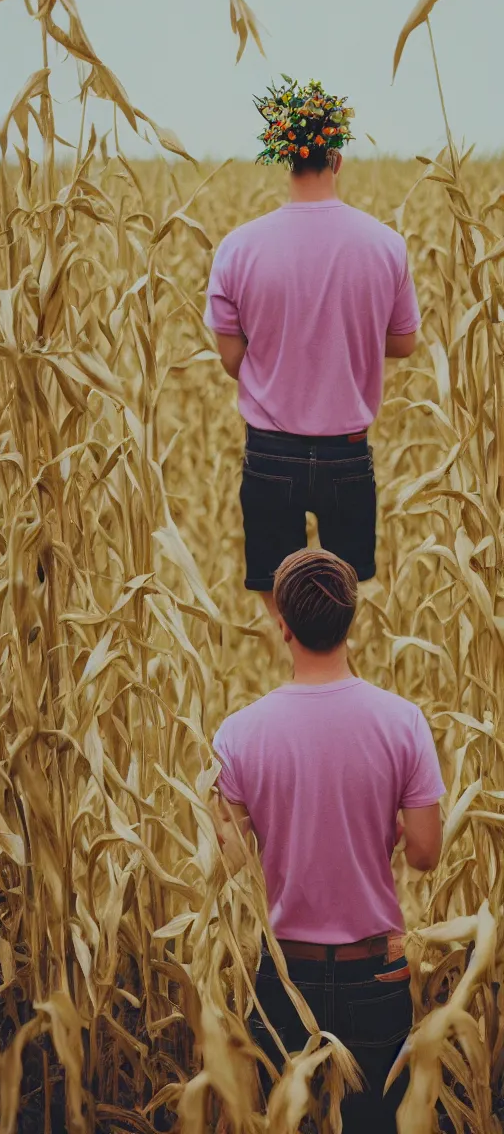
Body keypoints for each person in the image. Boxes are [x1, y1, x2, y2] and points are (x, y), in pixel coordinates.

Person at [213, 548, 445, 1133]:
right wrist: (382, 829)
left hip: (284, 978)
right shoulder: (403, 723)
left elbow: (230, 859)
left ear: (282, 623)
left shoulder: (239, 734)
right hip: (377, 977)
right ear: (352, 620)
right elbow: (425, 853)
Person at [204, 78, 421, 614]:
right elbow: (406, 342)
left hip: (270, 449)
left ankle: (298, 679)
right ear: (337, 158)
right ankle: (335, 681)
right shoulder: (385, 245)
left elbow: (233, 359)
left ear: (285, 158)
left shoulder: (238, 248)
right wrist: (351, 340)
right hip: (347, 450)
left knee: (276, 593)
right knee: (344, 599)